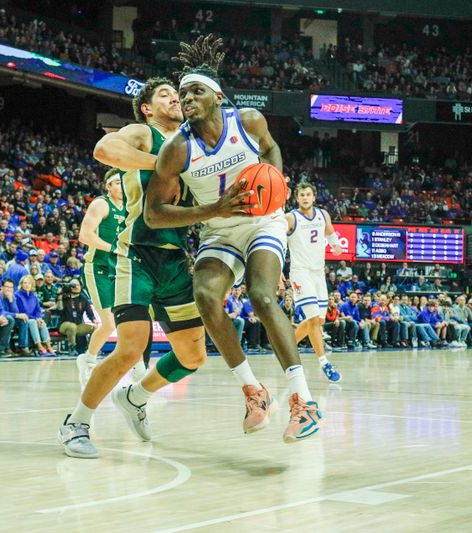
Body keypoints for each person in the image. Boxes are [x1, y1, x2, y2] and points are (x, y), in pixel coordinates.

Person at [144, 34, 321, 443]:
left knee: (262, 296)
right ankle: (253, 390)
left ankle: (304, 400)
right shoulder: (176, 149)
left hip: (263, 222)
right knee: (206, 295)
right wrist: (215, 210)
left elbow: (272, 149)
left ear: (217, 96)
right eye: (183, 93)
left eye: (196, 91)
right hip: (219, 226)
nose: (187, 98)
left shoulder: (248, 121)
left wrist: (275, 186)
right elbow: (154, 215)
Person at [58, 75, 207, 458]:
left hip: (176, 259)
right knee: (130, 348)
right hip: (136, 253)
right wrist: (164, 165)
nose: (174, 99)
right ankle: (76, 423)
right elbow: (104, 149)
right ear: (147, 107)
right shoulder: (145, 132)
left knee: (193, 356)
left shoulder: (193, 144)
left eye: (177, 95)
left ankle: (136, 396)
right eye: (164, 95)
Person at [76, 169, 139, 386]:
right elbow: (85, 236)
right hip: (98, 267)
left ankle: (137, 371)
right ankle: (88, 361)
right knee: (109, 323)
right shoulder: (101, 204)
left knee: (129, 321)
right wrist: (113, 248)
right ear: (108, 186)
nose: (121, 186)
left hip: (120, 268)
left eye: (123, 182)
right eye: (116, 183)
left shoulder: (131, 206)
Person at [287, 182, 345, 381]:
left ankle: (285, 347)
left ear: (314, 197)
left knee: (319, 321)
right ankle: (324, 363)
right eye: (301, 194)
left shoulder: (323, 214)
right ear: (297, 198)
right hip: (300, 272)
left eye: (308, 194)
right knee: (313, 320)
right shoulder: (290, 218)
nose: (305, 197)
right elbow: (278, 242)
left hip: (318, 273)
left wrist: (336, 245)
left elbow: (329, 232)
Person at [16, 275, 56, 356]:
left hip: (34, 318)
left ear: (32, 285)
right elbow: (22, 312)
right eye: (25, 283)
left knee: (42, 322)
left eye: (29, 283)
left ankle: (48, 346)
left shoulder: (34, 295)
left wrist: (39, 318)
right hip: (24, 318)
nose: (27, 285)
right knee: (33, 322)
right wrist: (35, 318)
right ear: (21, 284)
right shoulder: (18, 295)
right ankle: (39, 346)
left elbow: (38, 310)